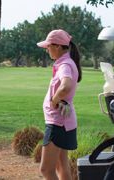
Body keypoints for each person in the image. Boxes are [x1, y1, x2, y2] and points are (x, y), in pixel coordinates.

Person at [37, 29, 82, 180]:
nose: (47, 50)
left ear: (57, 46)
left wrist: (53, 100)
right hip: (64, 122)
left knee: (45, 169)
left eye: (48, 46)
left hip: (58, 124)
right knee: (61, 164)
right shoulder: (66, 63)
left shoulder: (65, 65)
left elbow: (66, 86)